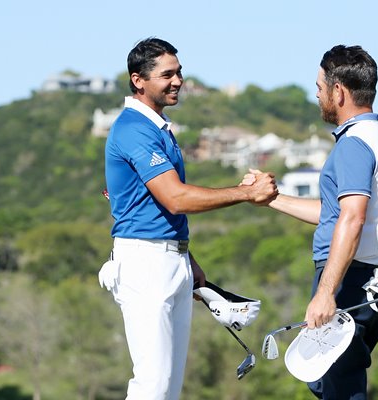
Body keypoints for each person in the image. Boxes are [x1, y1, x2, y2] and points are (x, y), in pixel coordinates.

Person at [102, 37, 278, 400]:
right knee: (152, 385)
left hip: (170, 260)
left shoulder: (158, 127)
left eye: (179, 72)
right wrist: (247, 194)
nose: (178, 80)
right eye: (167, 74)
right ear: (139, 80)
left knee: (168, 387)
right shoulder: (134, 127)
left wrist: (187, 257)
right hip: (145, 264)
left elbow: (157, 205)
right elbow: (177, 198)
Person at [246, 45, 378, 399]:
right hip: (372, 277)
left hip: (354, 279)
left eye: (319, 86)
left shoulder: (353, 144)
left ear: (339, 91)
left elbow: (352, 218)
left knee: (339, 389)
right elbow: (334, 213)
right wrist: (270, 198)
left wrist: (326, 292)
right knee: (330, 385)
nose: (316, 93)